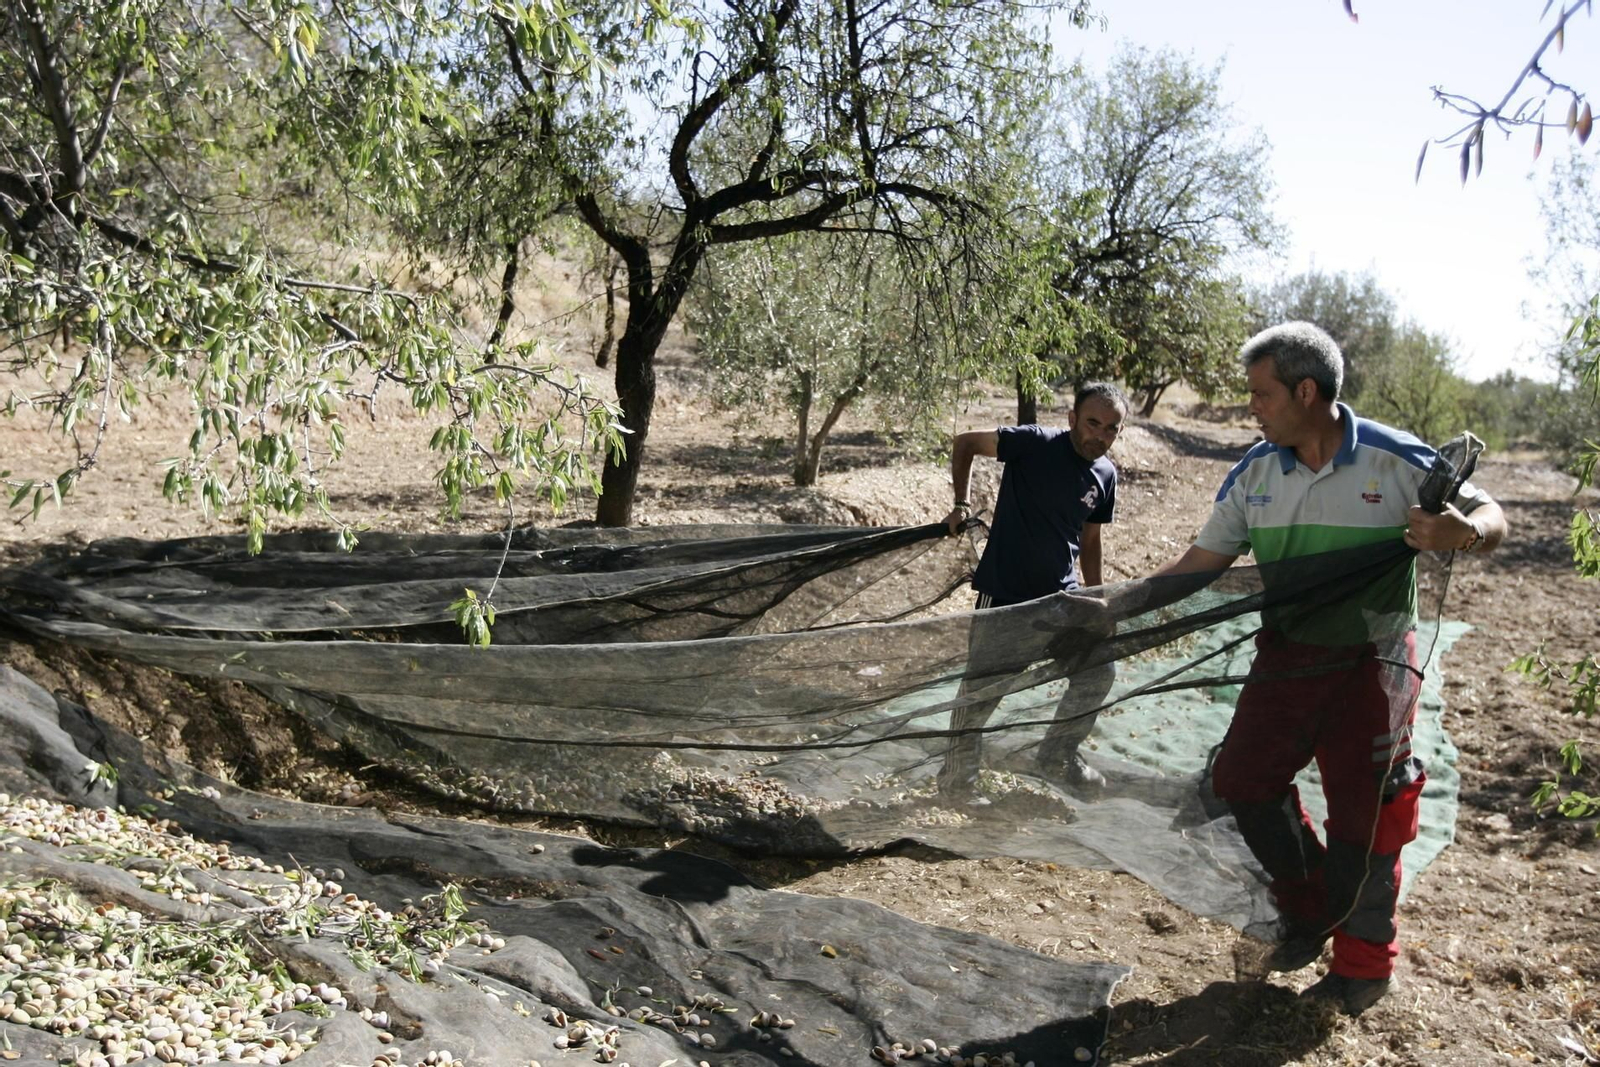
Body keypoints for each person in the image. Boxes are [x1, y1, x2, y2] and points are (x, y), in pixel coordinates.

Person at [1151, 322, 1508, 1016]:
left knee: (1372, 812)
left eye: (1261, 393)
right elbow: (1200, 565)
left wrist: (1462, 532)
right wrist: (1114, 609)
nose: (1251, 408)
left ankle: (1364, 964)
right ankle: (1312, 898)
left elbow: (1492, 514)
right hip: (1287, 658)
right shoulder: (1256, 473)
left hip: (1374, 666)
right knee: (1242, 780)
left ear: (1305, 391)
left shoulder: (1392, 458)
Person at [937, 382, 1127, 797]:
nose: (1101, 435)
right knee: (979, 694)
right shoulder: (1035, 442)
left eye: (1112, 428)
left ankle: (1056, 757)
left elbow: (1090, 542)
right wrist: (961, 504)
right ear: (1073, 418)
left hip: (1061, 600)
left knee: (1097, 670)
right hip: (1005, 594)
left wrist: (1099, 600)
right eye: (1093, 423)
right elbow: (966, 443)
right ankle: (957, 781)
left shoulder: (1106, 475)